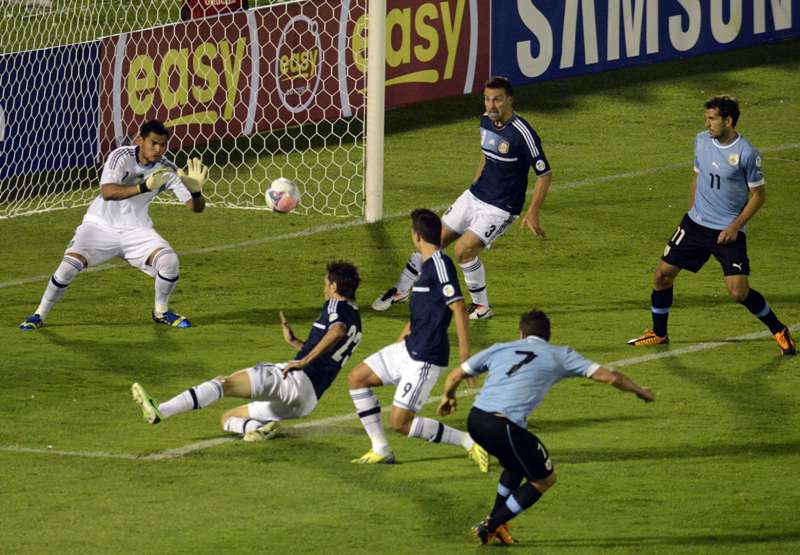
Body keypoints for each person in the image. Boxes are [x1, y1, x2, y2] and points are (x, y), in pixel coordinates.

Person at [437, 309, 655, 545]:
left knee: (516, 465)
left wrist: (448, 397)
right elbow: (610, 377)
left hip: (476, 419)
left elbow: (455, 375)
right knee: (544, 479)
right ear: (548, 336)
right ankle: (490, 524)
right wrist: (640, 391)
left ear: (521, 334)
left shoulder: (500, 347)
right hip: (502, 426)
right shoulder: (559, 354)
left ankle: (497, 525)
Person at [372, 76, 552, 320]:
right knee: (431, 242)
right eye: (487, 99)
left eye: (497, 99)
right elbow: (485, 154)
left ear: (510, 100)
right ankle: (401, 290)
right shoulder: (486, 122)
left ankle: (481, 307)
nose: (491, 105)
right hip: (474, 196)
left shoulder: (523, 133)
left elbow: (544, 173)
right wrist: (476, 181)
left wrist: (533, 212)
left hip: (500, 207)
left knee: (463, 251)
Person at [627, 96, 795, 356]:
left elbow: (758, 196)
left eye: (712, 119)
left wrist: (735, 227)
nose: (707, 124)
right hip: (695, 224)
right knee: (662, 276)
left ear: (728, 121)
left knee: (738, 292)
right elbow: (697, 176)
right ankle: (659, 333)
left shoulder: (746, 153)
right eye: (706, 118)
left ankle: (778, 329)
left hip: (728, 231)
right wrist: (695, 209)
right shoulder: (701, 141)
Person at [131, 261, 363, 441]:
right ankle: (258, 429)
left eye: (326, 283)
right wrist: (295, 342)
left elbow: (337, 331)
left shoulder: (335, 305)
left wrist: (302, 362)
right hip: (307, 400)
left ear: (334, 286)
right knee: (229, 418)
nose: (324, 288)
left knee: (224, 384)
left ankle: (161, 410)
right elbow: (330, 350)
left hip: (294, 380)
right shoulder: (357, 320)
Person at [19, 120, 208, 330]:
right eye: (153, 143)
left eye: (162, 145)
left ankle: (161, 312)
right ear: (140, 140)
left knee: (169, 261)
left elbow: (196, 208)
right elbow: (108, 193)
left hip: (136, 229)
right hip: (99, 225)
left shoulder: (167, 169)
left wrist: (196, 191)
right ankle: (39, 314)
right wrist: (144, 187)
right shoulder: (121, 156)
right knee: (67, 267)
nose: (158, 149)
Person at [348, 209, 488, 471]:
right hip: (408, 348)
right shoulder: (425, 269)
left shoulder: (439, 264)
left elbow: (458, 307)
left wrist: (465, 359)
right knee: (357, 378)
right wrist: (400, 340)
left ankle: (468, 441)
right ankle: (380, 448)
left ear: (416, 236)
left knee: (400, 423)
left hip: (426, 356)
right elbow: (423, 312)